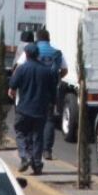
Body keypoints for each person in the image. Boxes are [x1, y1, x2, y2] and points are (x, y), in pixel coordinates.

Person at [9, 41, 56, 173]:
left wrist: (12, 91)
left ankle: (25, 156)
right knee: (38, 137)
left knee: (20, 132)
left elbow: (12, 85)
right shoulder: (47, 71)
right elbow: (53, 91)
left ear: (27, 54)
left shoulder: (22, 69)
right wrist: (52, 103)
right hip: (40, 109)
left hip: (23, 109)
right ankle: (36, 164)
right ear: (37, 55)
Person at [32, 27, 65, 157]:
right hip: (50, 90)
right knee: (49, 119)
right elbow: (64, 70)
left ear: (37, 39)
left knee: (33, 118)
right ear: (49, 39)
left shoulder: (33, 50)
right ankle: (47, 150)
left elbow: (21, 67)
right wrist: (56, 78)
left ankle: (34, 148)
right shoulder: (56, 53)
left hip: (34, 90)